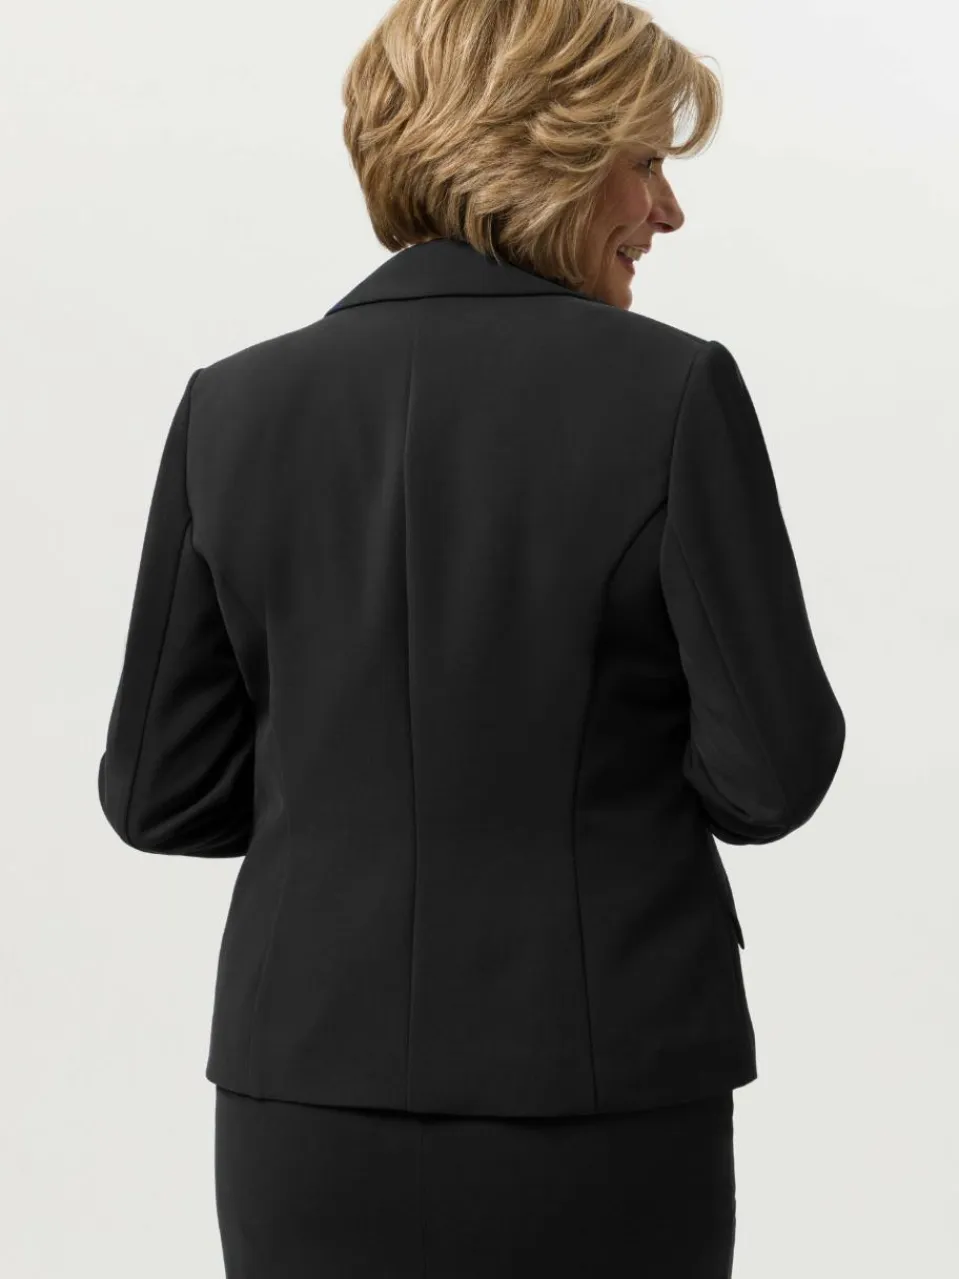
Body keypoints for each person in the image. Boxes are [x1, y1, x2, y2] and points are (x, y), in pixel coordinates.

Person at [96, 1, 846, 1275]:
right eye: (645, 162)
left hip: (303, 1103)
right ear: (549, 149)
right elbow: (768, 778)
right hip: (602, 1092)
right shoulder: (670, 391)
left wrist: (345, 807)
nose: (665, 213)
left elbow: (158, 795)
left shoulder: (231, 407)